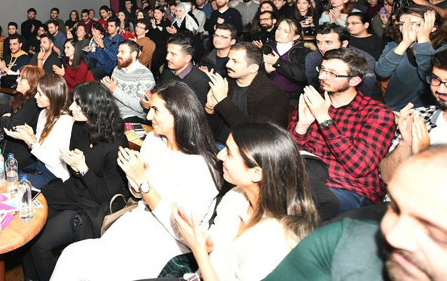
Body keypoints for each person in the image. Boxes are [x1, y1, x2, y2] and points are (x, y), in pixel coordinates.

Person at [51, 81, 222, 281]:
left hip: (168, 241)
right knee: (72, 256)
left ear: (178, 115)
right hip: (139, 219)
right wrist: (134, 178)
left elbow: (182, 231)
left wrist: (143, 182)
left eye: (155, 111)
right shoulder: (153, 141)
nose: (148, 117)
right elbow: (138, 195)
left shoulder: (201, 166)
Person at [264, 146, 447, 281]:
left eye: (434, 231)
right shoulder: (342, 241)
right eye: (396, 209)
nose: (393, 236)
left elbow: (360, 166)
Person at [170, 122, 319, 281]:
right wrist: (200, 238)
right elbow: (217, 245)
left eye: (229, 153)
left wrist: (199, 251)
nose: (219, 156)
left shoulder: (274, 239)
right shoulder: (237, 196)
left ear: (256, 174)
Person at [22, 82, 129, 281]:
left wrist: (83, 168)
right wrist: (75, 166)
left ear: (94, 108)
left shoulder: (116, 143)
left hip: (93, 206)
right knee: (27, 222)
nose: (71, 108)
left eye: (78, 105)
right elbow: (74, 174)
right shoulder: (80, 128)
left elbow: (105, 195)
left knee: (40, 244)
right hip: (74, 190)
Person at [289, 48, 395, 217]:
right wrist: (302, 125)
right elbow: (288, 156)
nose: (322, 77)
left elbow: (360, 167)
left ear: (354, 80)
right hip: (307, 181)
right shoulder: (312, 101)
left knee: (303, 202)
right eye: (322, 69)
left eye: (332, 73)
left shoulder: (376, 113)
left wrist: (324, 120)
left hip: (350, 189)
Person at [379, 49, 447, 183]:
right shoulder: (419, 116)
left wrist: (423, 155)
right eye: (436, 79)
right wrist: (405, 143)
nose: (440, 89)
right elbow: (386, 177)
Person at [204, 43, 289, 144]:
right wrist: (209, 108)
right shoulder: (227, 82)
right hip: (216, 143)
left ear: (253, 68)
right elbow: (211, 128)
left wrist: (223, 100)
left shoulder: (273, 94)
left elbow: (258, 136)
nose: (227, 65)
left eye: (235, 61)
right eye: (229, 59)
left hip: (246, 149)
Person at [4, 73, 74, 188]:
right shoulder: (43, 113)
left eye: (40, 94)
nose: (35, 97)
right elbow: (41, 150)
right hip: (40, 166)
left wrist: (30, 141)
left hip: (54, 176)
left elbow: (52, 161)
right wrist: (32, 136)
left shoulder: (65, 121)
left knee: (11, 187)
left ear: (52, 97)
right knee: (2, 180)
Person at [376, 4, 447, 110]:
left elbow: (427, 77)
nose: (407, 28)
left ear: (433, 27)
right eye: (403, 24)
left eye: (415, 24)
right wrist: (404, 43)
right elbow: (381, 72)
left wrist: (423, 40)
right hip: (396, 107)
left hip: (430, 108)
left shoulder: (443, 49)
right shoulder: (394, 46)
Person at [304, 23, 377, 99]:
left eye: (328, 42)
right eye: (319, 42)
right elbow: (314, 88)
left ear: (344, 44)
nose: (322, 47)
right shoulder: (313, 57)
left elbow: (365, 93)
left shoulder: (365, 60)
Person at [101, 40, 155, 123]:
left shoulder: (145, 74)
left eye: (122, 52)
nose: (118, 55)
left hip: (133, 117)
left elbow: (141, 107)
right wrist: (106, 88)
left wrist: (115, 90)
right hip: (114, 113)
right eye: (118, 52)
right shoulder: (117, 69)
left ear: (133, 54)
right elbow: (111, 96)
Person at [262, 18, 311, 102]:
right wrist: (266, 70)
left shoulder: (302, 50)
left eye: (285, 31)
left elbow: (302, 76)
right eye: (279, 29)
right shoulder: (267, 47)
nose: (279, 33)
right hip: (267, 94)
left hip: (291, 97)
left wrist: (277, 62)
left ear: (296, 36)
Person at [160, 34, 210, 104]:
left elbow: (197, 112)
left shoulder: (200, 81)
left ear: (187, 58)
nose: (167, 57)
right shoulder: (167, 72)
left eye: (173, 54)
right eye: (168, 52)